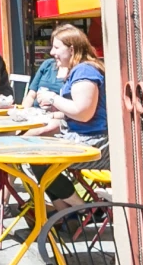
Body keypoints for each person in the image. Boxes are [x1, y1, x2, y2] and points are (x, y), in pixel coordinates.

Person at [27, 23, 108, 206]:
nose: (52, 53)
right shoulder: (80, 70)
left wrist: (52, 98)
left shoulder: (85, 71)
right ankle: (66, 214)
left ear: (71, 49)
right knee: (34, 153)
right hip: (81, 136)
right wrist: (56, 115)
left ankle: (81, 209)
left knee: (38, 159)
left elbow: (84, 113)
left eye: (56, 48)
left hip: (93, 142)